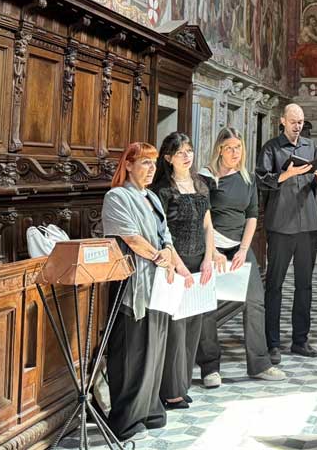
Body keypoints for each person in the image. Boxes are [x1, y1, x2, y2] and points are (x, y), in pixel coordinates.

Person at [101, 142, 192, 442]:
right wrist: (158, 256)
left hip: (158, 285)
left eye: (153, 163)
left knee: (155, 350)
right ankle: (126, 421)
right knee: (133, 354)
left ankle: (150, 410)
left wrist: (173, 261)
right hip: (133, 285)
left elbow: (166, 237)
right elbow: (131, 237)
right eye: (144, 162)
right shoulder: (117, 196)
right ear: (128, 165)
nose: (152, 169)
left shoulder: (151, 197)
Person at [195, 128, 287, 386]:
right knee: (207, 307)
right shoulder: (206, 177)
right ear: (219, 149)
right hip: (211, 249)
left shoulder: (247, 178)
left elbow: (252, 215)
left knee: (255, 302)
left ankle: (259, 364)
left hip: (239, 248)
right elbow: (202, 217)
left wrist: (244, 249)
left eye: (239, 147)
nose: (235, 152)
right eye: (230, 148)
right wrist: (212, 251)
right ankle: (210, 369)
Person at [150, 132, 222, 409]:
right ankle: (170, 392)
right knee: (176, 330)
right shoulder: (162, 190)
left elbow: (208, 225)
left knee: (194, 326)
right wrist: (178, 265)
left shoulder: (201, 184)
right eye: (180, 152)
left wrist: (208, 257)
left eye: (189, 151)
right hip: (175, 264)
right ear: (168, 158)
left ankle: (182, 385)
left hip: (199, 263)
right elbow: (162, 233)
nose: (187, 156)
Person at [257, 103, 317, 361]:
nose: (298, 126)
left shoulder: (311, 146)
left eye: (300, 122)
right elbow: (261, 180)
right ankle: (272, 343)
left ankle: (300, 340)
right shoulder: (271, 148)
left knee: (304, 285)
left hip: (308, 224)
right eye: (293, 121)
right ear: (282, 121)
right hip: (280, 225)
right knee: (274, 285)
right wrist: (285, 175)